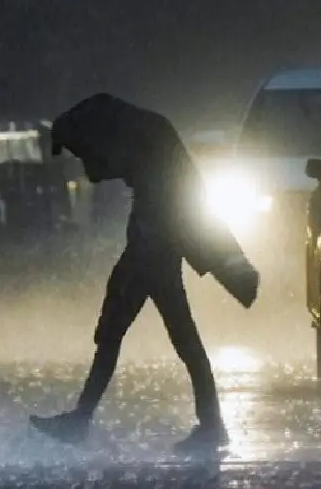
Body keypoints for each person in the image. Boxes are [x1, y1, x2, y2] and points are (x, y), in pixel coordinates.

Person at [29, 93, 260, 451]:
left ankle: (82, 420)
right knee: (171, 335)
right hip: (156, 244)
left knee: (120, 332)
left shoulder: (134, 135)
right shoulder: (144, 129)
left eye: (78, 151)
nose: (82, 161)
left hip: (150, 248)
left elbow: (102, 170)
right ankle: (209, 423)